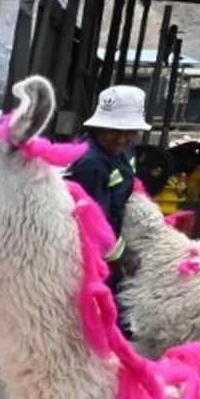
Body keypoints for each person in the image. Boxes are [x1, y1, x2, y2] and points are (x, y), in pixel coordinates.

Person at [65, 85, 147, 280]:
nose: (120, 139)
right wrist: (122, 257)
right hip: (86, 254)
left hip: (110, 238)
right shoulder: (92, 164)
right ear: (98, 126)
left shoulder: (124, 151)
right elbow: (92, 222)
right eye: (113, 131)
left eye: (129, 131)